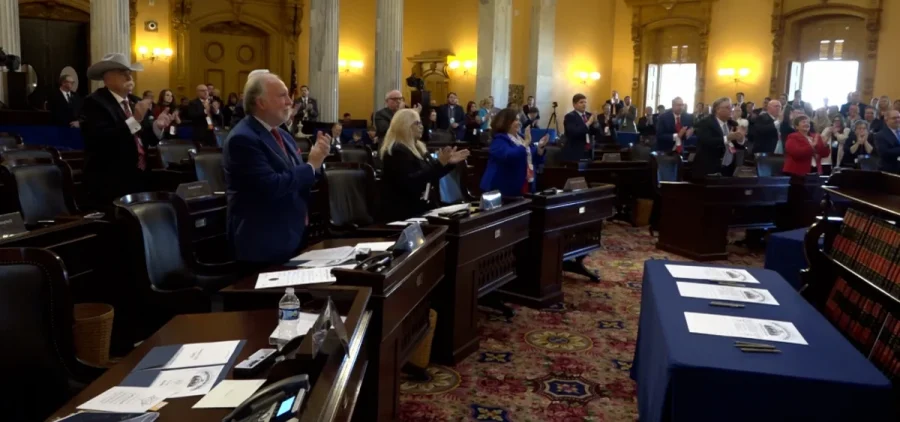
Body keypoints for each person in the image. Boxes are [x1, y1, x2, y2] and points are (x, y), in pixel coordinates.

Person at [224, 72, 331, 265]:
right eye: (282, 95)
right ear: (261, 102)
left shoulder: (283, 134)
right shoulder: (243, 139)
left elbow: (301, 178)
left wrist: (317, 163)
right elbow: (269, 185)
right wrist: (311, 165)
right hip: (262, 242)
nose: (290, 101)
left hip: (292, 235)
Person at [79, 53, 173, 210]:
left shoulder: (135, 101)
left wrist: (158, 126)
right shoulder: (94, 103)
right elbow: (103, 140)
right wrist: (135, 119)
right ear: (107, 78)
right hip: (110, 180)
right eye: (122, 73)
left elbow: (146, 139)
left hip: (139, 177)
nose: (129, 76)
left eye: (129, 72)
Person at [377, 109, 469, 222]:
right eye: (417, 123)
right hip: (404, 212)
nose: (421, 126)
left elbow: (430, 174)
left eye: (421, 123)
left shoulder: (420, 148)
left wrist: (448, 164)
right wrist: (439, 164)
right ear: (404, 126)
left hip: (422, 208)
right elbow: (412, 182)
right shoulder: (396, 151)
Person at [481, 109, 550, 196]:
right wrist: (526, 143)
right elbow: (510, 156)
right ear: (506, 122)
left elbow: (533, 158)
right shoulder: (499, 140)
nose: (519, 122)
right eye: (515, 120)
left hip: (524, 184)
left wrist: (540, 147)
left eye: (519, 119)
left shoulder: (521, 137)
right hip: (503, 188)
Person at [692, 97, 745, 180]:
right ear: (717, 109)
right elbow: (707, 141)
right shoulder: (705, 123)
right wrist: (727, 138)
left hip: (728, 167)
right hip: (709, 167)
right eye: (728, 107)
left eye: (731, 107)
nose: (731, 110)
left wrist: (740, 139)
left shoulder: (732, 123)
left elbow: (736, 145)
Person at [562, 93, 601, 161]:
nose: (584, 104)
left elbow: (599, 134)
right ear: (574, 105)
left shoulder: (589, 115)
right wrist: (588, 123)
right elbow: (574, 132)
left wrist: (596, 123)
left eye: (585, 102)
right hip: (575, 152)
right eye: (581, 102)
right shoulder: (570, 116)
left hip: (589, 151)